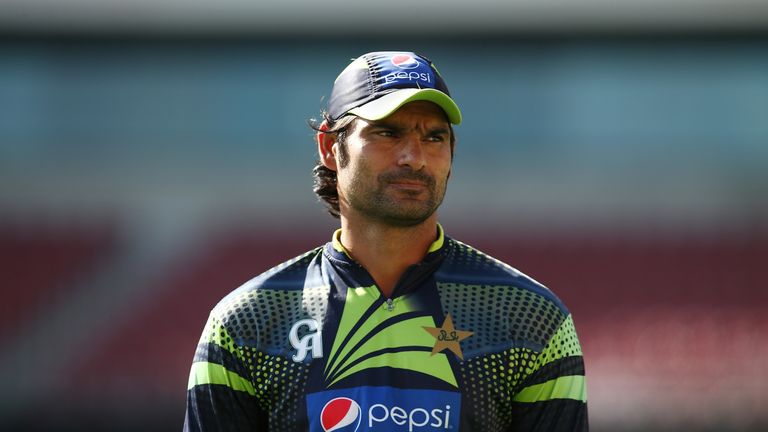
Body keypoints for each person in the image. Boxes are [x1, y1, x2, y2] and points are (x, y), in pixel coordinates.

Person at [184, 51, 588, 431]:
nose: (414, 157)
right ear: (329, 146)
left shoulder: (531, 317)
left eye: (434, 137)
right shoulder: (246, 321)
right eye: (387, 132)